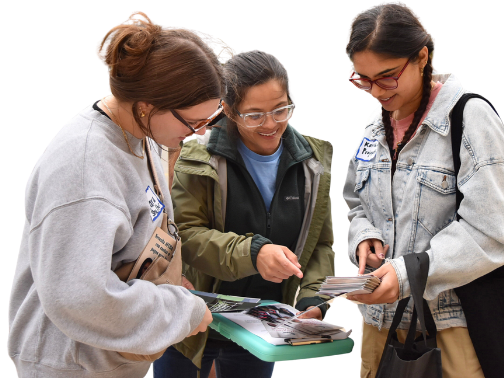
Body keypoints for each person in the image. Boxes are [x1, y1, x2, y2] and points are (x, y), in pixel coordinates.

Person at [8, 11, 221, 378]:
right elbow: (81, 297)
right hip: (69, 365)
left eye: (209, 121)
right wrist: (179, 310)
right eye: (192, 123)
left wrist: (167, 281)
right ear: (146, 105)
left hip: (107, 357)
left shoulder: (145, 135)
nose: (199, 134)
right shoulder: (85, 166)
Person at [341, 2, 504, 378]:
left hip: (450, 329)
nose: (374, 93)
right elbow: (354, 200)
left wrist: (405, 273)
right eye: (362, 80)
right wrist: (364, 236)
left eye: (387, 77)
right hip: (378, 324)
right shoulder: (375, 125)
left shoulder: (471, 120)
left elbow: (492, 234)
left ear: (422, 57)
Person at [153, 49, 335, 378]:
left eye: (281, 110)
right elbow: (187, 237)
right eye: (254, 115)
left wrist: (312, 297)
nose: (271, 125)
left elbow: (320, 245)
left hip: (261, 329)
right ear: (228, 110)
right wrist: (253, 254)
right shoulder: (196, 157)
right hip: (194, 320)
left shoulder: (313, 161)